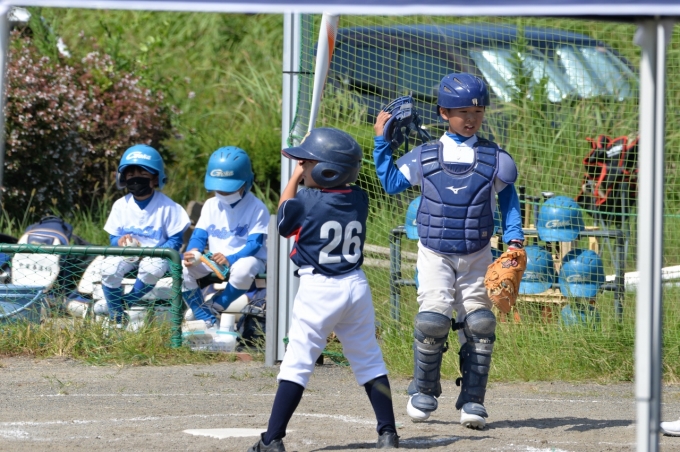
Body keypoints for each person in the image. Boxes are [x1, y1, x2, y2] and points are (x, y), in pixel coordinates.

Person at [373, 73, 525, 429]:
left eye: (478, 112)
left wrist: (515, 240)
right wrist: (381, 143)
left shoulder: (494, 157)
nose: (471, 119)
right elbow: (392, 183)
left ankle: (473, 400)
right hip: (435, 252)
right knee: (433, 318)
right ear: (443, 112)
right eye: (462, 112)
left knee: (480, 324)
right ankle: (423, 390)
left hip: (477, 251)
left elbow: (509, 202)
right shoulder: (425, 155)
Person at [248, 128, 398, 451]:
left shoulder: (305, 200)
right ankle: (388, 433)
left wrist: (295, 177)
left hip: (319, 289)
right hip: (356, 287)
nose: (303, 167)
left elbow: (283, 222)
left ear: (327, 170)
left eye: (308, 163)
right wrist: (308, 167)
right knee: (369, 361)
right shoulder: (360, 198)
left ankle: (271, 439)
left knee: (297, 363)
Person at [102, 144, 191, 327]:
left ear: (155, 178)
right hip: (127, 253)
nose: (136, 180)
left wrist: (152, 252)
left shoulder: (169, 207)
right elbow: (113, 238)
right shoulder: (120, 205)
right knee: (108, 269)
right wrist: (119, 241)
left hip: (157, 255)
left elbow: (175, 241)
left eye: (143, 175)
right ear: (123, 178)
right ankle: (117, 317)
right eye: (131, 176)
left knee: (152, 268)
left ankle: (126, 303)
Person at [181, 147, 269, 328]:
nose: (222, 193)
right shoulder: (211, 204)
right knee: (182, 268)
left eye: (229, 189)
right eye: (219, 188)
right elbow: (199, 235)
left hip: (247, 258)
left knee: (244, 268)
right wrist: (193, 251)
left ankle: (216, 305)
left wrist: (230, 258)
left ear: (247, 182)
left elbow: (254, 244)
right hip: (214, 259)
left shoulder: (257, 207)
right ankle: (202, 313)